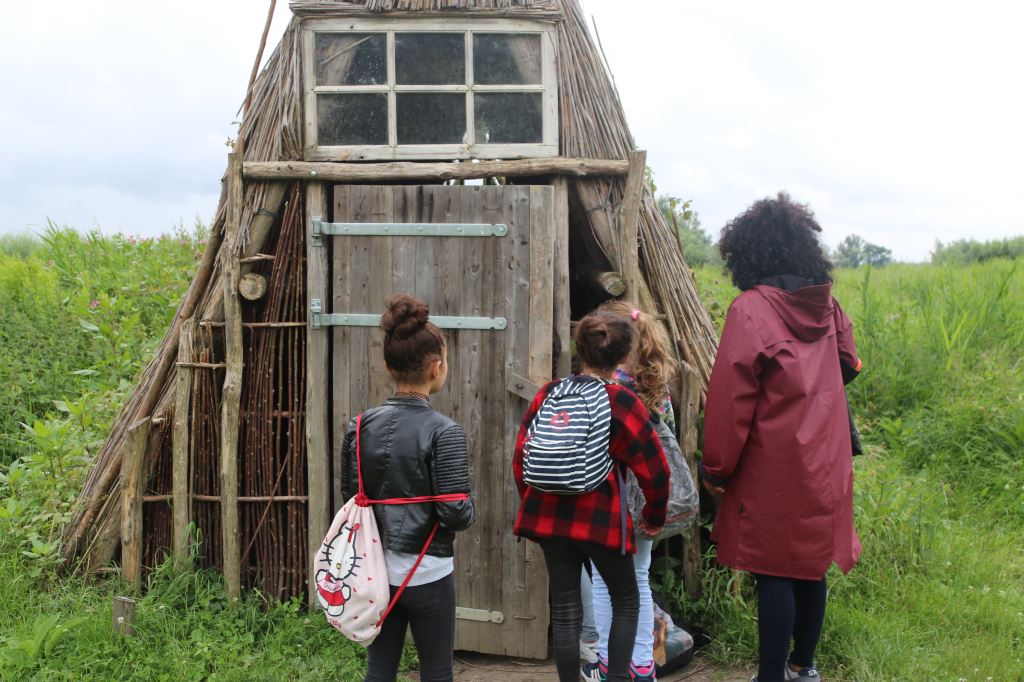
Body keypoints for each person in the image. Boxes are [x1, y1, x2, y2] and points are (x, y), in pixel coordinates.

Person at [700, 193, 862, 682]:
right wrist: (815, 395)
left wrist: (716, 469)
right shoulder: (826, 305)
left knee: (773, 569)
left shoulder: (751, 310)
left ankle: (771, 676)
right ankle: (802, 668)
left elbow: (731, 405)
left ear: (746, 253)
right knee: (811, 565)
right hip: (826, 458)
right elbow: (849, 364)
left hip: (772, 462)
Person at [513, 311, 671, 682]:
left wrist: (534, 502)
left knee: (566, 609)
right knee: (626, 600)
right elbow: (656, 471)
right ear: (624, 355)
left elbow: (521, 459)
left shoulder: (548, 393)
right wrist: (654, 516)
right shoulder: (623, 402)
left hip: (548, 518)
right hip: (599, 520)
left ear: (580, 349)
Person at [340, 294, 475, 682]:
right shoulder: (445, 432)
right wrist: (470, 507)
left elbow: (352, 502)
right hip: (428, 573)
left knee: (380, 668)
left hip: (375, 574)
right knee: (436, 671)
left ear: (387, 364)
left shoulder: (358, 425)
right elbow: (455, 513)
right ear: (438, 368)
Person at [583, 300, 680, 682]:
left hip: (606, 497)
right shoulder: (656, 388)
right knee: (638, 576)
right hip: (644, 498)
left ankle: (611, 663)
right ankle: (641, 664)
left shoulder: (603, 388)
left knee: (604, 582)